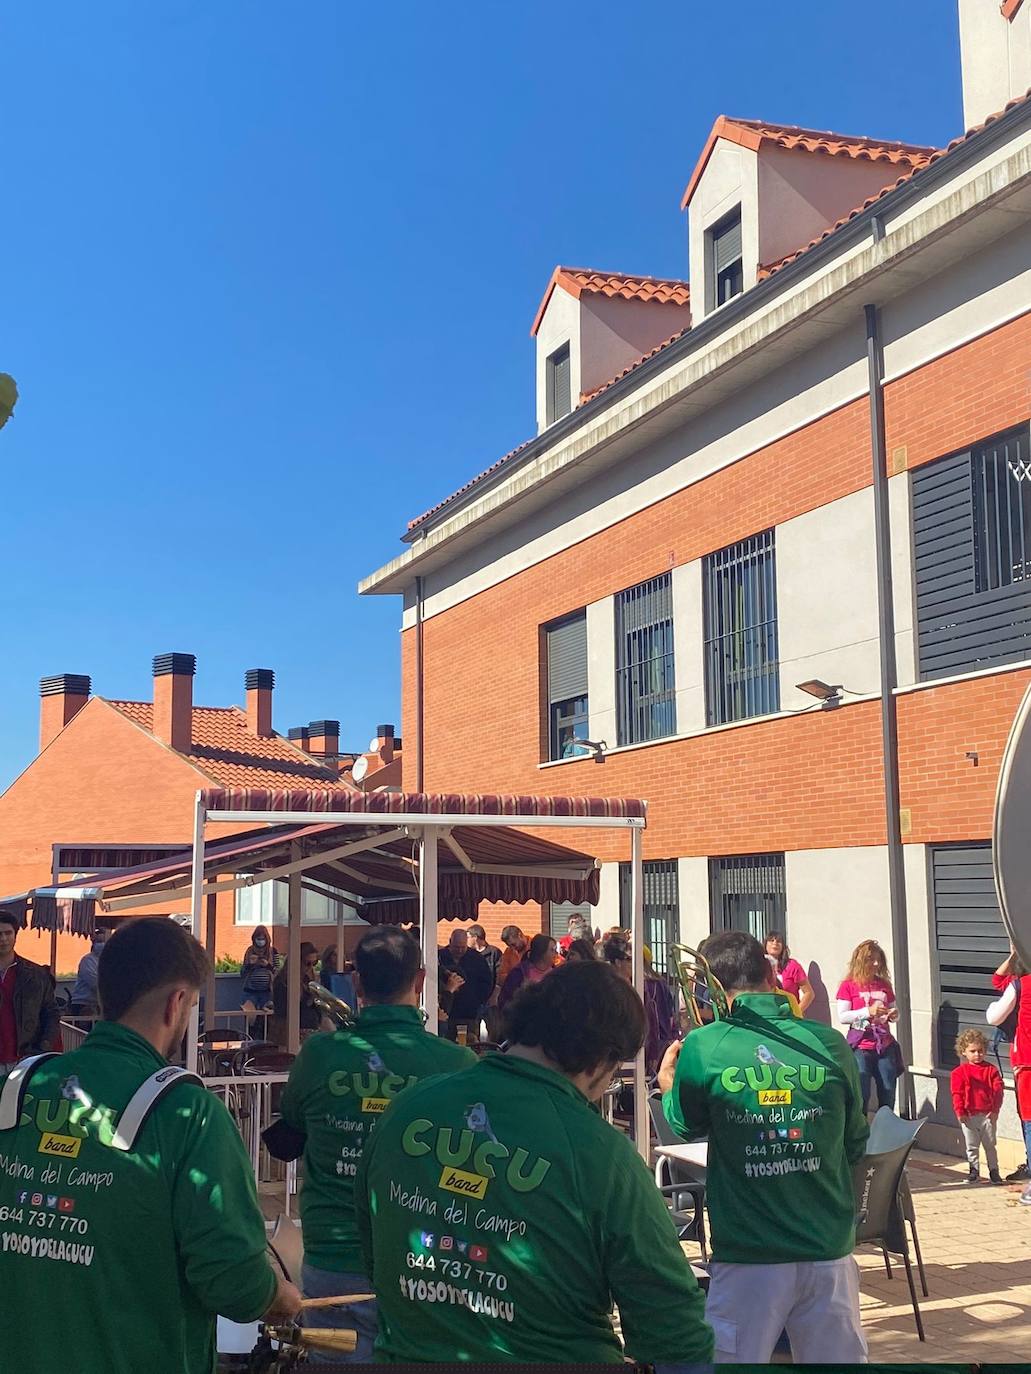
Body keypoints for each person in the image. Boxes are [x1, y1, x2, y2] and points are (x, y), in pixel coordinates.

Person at [355, 960, 713, 1368]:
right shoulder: (600, 1154)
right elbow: (672, 1329)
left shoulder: (407, 1108)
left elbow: (373, 1251)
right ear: (601, 1060)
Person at [0, 916, 300, 1374]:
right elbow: (233, 1281)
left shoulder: (17, 1089)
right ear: (177, 1002)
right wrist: (276, 1294)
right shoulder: (187, 1112)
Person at [660, 930, 869, 1364]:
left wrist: (667, 1087)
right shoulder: (830, 1043)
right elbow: (855, 1142)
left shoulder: (705, 1043)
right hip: (827, 1246)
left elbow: (683, 1122)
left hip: (748, 1255)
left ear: (714, 986)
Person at [279, 927, 476, 1362]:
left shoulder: (319, 1055)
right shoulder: (458, 1063)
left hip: (333, 1261)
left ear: (356, 982)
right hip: (427, 1263)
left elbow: (290, 1129)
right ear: (421, 979)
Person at [987, 947, 1031, 1202]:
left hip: (1027, 1063)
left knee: (1029, 1121)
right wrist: (1014, 955)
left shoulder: (1021, 985)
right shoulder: (1018, 984)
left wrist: (1016, 955)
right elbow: (997, 979)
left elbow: (994, 1016)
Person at [836, 939, 902, 1112]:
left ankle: (886, 1132)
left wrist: (893, 1015)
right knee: (862, 1094)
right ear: (861, 960)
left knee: (888, 1091)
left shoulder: (884, 985)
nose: (876, 963)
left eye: (878, 959)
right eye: (871, 959)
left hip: (884, 1044)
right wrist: (868, 1012)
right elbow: (843, 1017)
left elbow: (894, 1010)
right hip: (861, 1045)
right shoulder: (848, 986)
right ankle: (861, 1133)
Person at [0, 907, 59, 1067]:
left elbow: (51, 1013)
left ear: (15, 935)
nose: (4, 939)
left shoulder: (36, 975)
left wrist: (43, 1048)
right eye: (0, 934)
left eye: (8, 933)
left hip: (25, 1058)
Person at [950, 1028, 1004, 1184]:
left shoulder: (991, 1070)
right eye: (972, 1051)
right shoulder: (959, 1073)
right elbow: (957, 1093)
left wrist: (995, 1111)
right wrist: (960, 1112)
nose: (977, 1054)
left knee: (990, 1145)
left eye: (980, 1051)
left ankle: (994, 1171)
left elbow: (998, 1091)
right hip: (968, 1115)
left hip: (987, 1115)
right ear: (964, 1052)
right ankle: (974, 1171)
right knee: (971, 1145)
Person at [437, 928, 493, 1042]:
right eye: (457, 947)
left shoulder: (476, 958)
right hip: (446, 1013)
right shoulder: (440, 957)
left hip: (469, 1014)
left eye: (463, 947)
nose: (460, 950)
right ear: (450, 942)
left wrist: (477, 1001)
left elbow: (487, 982)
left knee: (470, 1044)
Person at [271, 942, 322, 1047]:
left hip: (311, 1030)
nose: (311, 967)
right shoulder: (283, 982)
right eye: (307, 963)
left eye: (315, 963)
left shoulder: (308, 980)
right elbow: (282, 1011)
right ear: (297, 961)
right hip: (292, 1034)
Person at [497, 932, 557, 1011]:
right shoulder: (519, 973)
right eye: (552, 950)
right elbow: (504, 1001)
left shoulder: (557, 973)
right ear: (542, 953)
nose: (556, 953)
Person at [644, 945, 677, 1078]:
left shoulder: (644, 984)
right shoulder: (661, 982)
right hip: (664, 1036)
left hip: (651, 1039)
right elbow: (670, 1014)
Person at [764, 931, 814, 1016]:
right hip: (766, 1015)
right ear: (765, 944)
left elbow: (809, 993)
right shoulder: (758, 965)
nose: (775, 943)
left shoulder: (792, 966)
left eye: (778, 941)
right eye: (771, 940)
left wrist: (796, 1012)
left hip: (789, 1017)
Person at [70, 927, 109, 1015]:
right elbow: (94, 982)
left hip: (99, 1004)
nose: (101, 945)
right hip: (83, 1003)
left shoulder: (109, 961)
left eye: (104, 942)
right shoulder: (87, 960)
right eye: (99, 942)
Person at [241, 924, 278, 1010]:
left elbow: (278, 973)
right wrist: (250, 964)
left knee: (266, 1017)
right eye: (258, 939)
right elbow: (242, 973)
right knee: (250, 1017)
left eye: (263, 939)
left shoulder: (273, 951)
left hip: (267, 993)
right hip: (250, 992)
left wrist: (268, 966)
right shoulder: (250, 951)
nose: (260, 941)